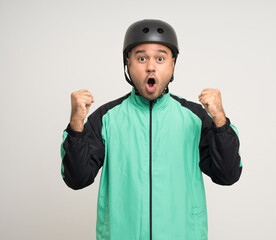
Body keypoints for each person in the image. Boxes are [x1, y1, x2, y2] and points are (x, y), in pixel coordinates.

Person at [60, 19, 242, 240]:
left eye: (160, 58)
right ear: (128, 63)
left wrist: (220, 120)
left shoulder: (195, 118)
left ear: (173, 64)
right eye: (142, 58)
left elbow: (228, 174)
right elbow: (77, 179)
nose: (151, 66)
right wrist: (76, 124)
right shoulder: (107, 118)